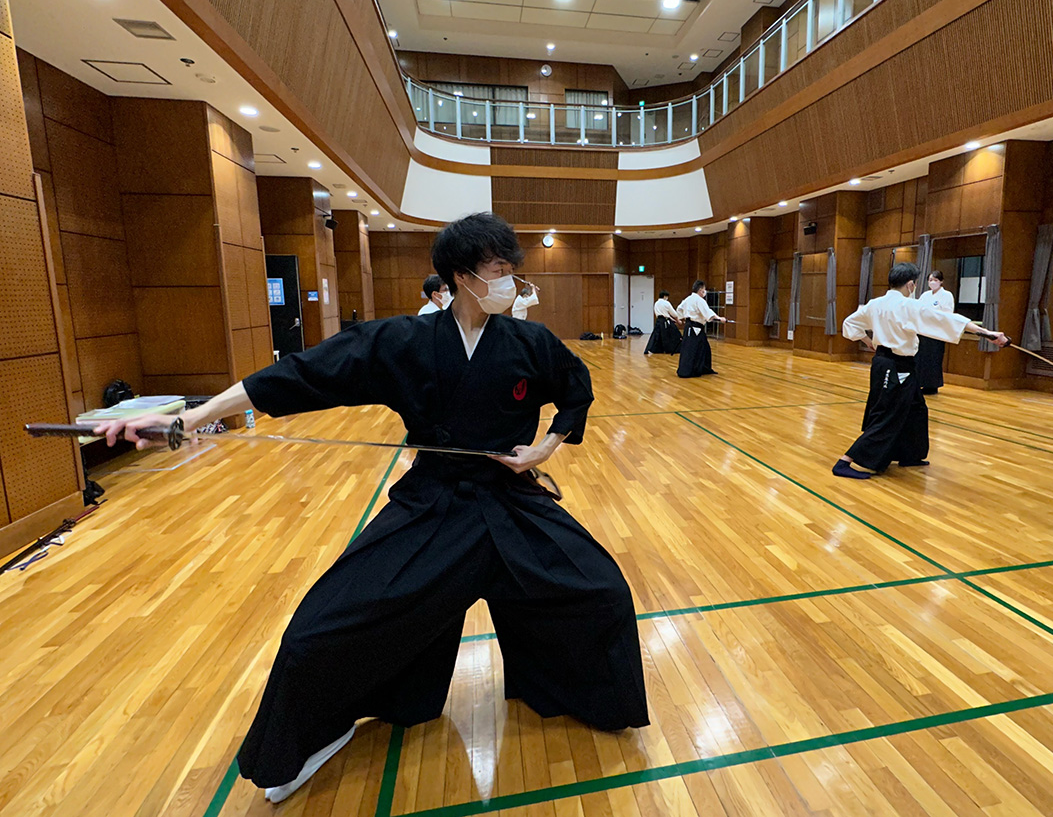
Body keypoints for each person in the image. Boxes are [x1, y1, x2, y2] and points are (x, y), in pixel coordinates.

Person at [97, 212, 649, 801]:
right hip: (434, 503)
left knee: (603, 592)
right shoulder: (404, 342)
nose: (510, 283)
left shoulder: (530, 342)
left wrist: (543, 450)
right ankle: (311, 736)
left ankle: (576, 694)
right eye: (497, 272)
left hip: (510, 500)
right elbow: (302, 373)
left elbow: (575, 390)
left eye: (513, 273)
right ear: (462, 278)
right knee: (316, 632)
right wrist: (188, 417)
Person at [833, 263, 1008, 479]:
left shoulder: (875, 303)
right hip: (895, 367)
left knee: (916, 409)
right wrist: (987, 332)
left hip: (891, 363)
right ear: (910, 284)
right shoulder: (907, 306)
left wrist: (870, 343)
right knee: (887, 415)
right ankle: (845, 461)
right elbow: (946, 319)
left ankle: (910, 454)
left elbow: (850, 324)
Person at [676, 280, 726, 378]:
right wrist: (719, 318)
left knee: (704, 348)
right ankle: (687, 371)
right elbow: (708, 312)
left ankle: (704, 368)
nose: (705, 291)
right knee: (691, 350)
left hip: (689, 327)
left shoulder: (688, 299)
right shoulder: (699, 300)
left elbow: (679, 309)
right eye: (704, 289)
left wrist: (680, 318)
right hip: (695, 329)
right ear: (700, 290)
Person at [915, 270, 954, 394]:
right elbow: (918, 309)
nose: (932, 282)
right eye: (930, 280)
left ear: (941, 281)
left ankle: (932, 386)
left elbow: (948, 314)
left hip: (937, 332)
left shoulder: (947, 295)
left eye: (935, 280)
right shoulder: (925, 295)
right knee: (921, 358)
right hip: (923, 331)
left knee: (934, 358)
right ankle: (920, 383)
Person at [644, 290, 683, 355]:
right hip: (665, 322)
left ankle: (652, 349)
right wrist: (678, 320)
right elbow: (673, 313)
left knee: (656, 336)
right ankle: (673, 348)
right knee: (674, 334)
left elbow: (662, 314)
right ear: (665, 296)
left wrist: (672, 319)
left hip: (659, 321)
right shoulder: (666, 303)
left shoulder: (656, 303)